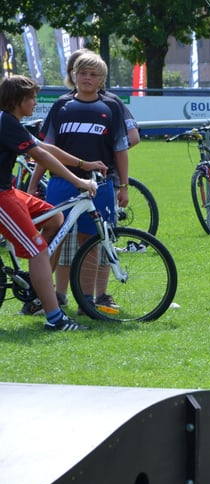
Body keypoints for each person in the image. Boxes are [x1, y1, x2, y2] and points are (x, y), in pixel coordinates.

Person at [23, 48, 141, 315]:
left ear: (102, 79)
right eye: (82, 73)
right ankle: (44, 296)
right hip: (61, 183)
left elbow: (122, 149)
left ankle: (87, 299)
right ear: (73, 75)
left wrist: (123, 186)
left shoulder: (111, 106)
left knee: (94, 240)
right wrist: (34, 183)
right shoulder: (61, 105)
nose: (87, 78)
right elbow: (46, 149)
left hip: (100, 184)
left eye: (93, 74)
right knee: (53, 236)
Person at [0, 75, 101, 331]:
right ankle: (55, 318)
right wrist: (78, 180)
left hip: (8, 190)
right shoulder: (7, 123)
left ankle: (37, 280)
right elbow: (41, 155)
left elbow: (45, 147)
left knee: (55, 218)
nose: (35, 102)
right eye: (31, 98)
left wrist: (83, 164)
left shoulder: (9, 121)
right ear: (17, 101)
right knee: (38, 251)